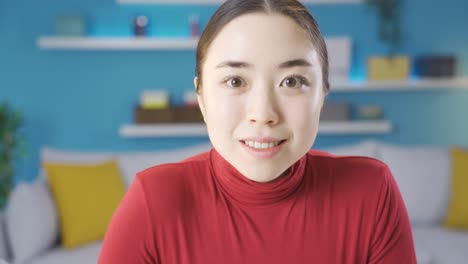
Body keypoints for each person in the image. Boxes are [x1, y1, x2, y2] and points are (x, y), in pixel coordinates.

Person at [98, 0, 417, 263]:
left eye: (292, 81)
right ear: (201, 97)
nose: (263, 114)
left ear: (322, 94)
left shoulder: (372, 192)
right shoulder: (152, 200)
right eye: (235, 81)